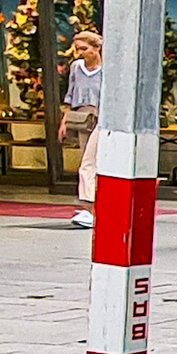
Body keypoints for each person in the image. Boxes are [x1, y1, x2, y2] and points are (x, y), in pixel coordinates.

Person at [57, 29, 103, 229]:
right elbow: (70, 94)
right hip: (82, 116)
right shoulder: (76, 67)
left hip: (102, 117)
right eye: (78, 49)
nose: (81, 53)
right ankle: (91, 207)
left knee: (89, 162)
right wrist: (64, 121)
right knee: (88, 158)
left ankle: (89, 207)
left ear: (96, 48)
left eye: (84, 49)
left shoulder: (106, 69)